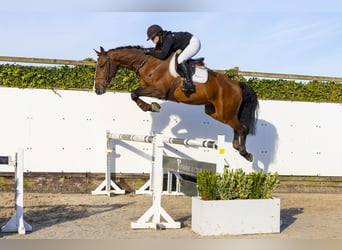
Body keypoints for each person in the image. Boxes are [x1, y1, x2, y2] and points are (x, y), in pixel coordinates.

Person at [144, 24, 201, 93]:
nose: (153, 41)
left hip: (193, 43)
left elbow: (163, 55)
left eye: (153, 38)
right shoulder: (163, 40)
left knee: (180, 59)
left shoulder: (168, 38)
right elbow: (157, 51)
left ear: (159, 34)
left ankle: (190, 84)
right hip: (186, 44)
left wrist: (149, 51)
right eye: (151, 39)